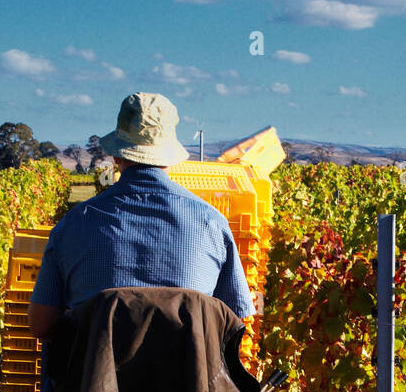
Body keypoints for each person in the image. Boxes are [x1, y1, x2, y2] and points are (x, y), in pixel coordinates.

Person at [27, 92, 256, 338]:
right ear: (170, 157)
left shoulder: (72, 225)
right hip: (186, 377)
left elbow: (41, 325)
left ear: (117, 156)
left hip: (94, 376)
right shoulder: (212, 223)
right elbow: (235, 322)